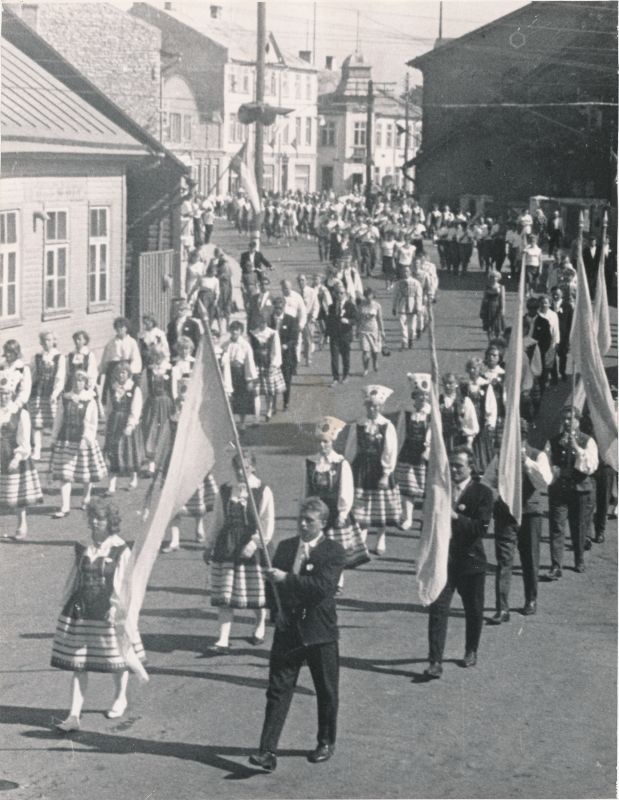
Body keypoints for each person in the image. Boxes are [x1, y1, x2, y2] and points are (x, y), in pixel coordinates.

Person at [249, 496, 346, 772]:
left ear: (323, 524)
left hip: (319, 632)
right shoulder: (285, 547)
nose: (302, 525)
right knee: (278, 690)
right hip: (288, 629)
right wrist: (273, 609)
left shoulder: (334, 551)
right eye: (300, 520)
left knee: (326, 690)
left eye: (309, 521)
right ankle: (266, 751)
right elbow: (272, 585)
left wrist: (285, 578)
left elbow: (322, 588)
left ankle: (325, 741)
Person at [51, 499, 146, 731]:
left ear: (110, 522)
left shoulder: (120, 549)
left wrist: (117, 608)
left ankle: (120, 696)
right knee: (78, 663)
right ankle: (73, 716)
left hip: (108, 612)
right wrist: (64, 605)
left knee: (117, 659)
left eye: (100, 518)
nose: (95, 522)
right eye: (92, 517)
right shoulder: (82, 546)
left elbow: (125, 584)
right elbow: (73, 578)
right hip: (82, 610)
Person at [424, 447, 493, 679]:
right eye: (451, 465)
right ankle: (435, 661)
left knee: (473, 610)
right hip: (444, 561)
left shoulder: (482, 492)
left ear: (471, 468)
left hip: (471, 562)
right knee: (438, 609)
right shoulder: (440, 489)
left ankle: (471, 649)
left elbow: (480, 528)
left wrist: (455, 517)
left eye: (458, 466)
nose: (453, 470)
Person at [483, 419, 552, 621]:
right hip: (506, 514)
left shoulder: (536, 455)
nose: (514, 440)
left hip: (530, 513)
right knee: (504, 560)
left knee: (530, 558)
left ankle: (530, 599)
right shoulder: (501, 456)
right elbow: (487, 481)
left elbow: (544, 482)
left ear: (524, 436)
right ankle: (502, 608)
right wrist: (498, 495)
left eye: (518, 436)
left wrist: (527, 462)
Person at [205, 450, 274, 651]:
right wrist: (209, 545)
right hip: (227, 546)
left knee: (255, 592)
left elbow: (267, 524)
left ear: (252, 467)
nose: (240, 471)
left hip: (253, 548)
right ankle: (223, 639)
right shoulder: (226, 490)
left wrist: (253, 545)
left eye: (244, 467)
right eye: (236, 467)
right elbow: (217, 520)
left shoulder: (262, 491)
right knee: (226, 595)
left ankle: (260, 623)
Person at [301, 416, 370, 590]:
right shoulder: (311, 462)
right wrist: (305, 508)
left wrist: (343, 512)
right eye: (319, 442)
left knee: (334, 548)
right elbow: (306, 487)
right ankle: (316, 578)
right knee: (315, 545)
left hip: (333, 510)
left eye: (325, 442)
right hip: (316, 510)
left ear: (332, 441)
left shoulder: (340, 463)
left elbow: (346, 489)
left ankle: (337, 581)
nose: (322, 446)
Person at [345, 385, 401, 556]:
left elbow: (390, 450)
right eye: (369, 405)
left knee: (381, 505)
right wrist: (346, 467)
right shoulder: (358, 425)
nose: (372, 409)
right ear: (365, 406)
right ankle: (361, 539)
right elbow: (351, 447)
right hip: (361, 468)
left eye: (376, 406)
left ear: (381, 407)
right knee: (360, 506)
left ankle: (380, 538)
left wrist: (386, 473)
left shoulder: (386, 426)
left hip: (379, 468)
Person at [547, 406, 599, 577]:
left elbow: (590, 466)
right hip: (559, 489)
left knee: (578, 526)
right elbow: (548, 463)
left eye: (570, 419)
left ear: (578, 420)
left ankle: (579, 558)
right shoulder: (554, 440)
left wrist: (576, 448)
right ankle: (556, 565)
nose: (567, 423)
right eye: (565, 419)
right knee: (557, 526)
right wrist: (556, 470)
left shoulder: (587, 440)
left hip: (579, 489)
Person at [50, 370, 107, 518]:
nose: (78, 383)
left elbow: (91, 423)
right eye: (76, 380)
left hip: (82, 439)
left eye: (81, 381)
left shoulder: (90, 400)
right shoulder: (65, 398)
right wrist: (54, 437)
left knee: (85, 473)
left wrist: (86, 438)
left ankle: (86, 498)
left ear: (86, 383)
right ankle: (65, 506)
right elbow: (59, 419)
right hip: (66, 439)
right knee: (65, 474)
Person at [0, 370, 43, 540]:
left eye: (6, 394)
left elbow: (24, 440)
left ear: (12, 394)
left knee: (17, 495)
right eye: (1, 394)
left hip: (13, 456)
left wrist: (17, 457)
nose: (3, 397)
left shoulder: (20, 414)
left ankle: (21, 525)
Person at [395, 375, 431, 532]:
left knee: (426, 488)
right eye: (419, 396)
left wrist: (428, 449)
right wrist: (396, 452)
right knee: (408, 487)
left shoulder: (431, 414)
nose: (422, 399)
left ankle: (425, 518)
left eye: (425, 396)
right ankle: (407, 517)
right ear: (414, 397)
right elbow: (400, 432)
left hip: (424, 454)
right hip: (408, 452)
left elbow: (433, 433)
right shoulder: (407, 412)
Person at [103, 362, 144, 495]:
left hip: (127, 422)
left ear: (128, 374)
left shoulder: (134, 389)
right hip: (114, 422)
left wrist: (131, 424)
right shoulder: (112, 388)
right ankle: (111, 485)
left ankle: (133, 478)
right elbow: (109, 407)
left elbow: (136, 408)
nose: (121, 375)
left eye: (124, 373)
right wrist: (107, 423)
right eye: (119, 373)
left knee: (129, 451)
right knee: (113, 452)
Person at [29, 331, 65, 461]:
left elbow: (60, 377)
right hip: (38, 392)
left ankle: (55, 449)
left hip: (52, 393)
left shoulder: (59, 357)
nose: (46, 343)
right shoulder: (37, 357)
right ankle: (37, 450)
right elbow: (32, 375)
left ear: (54, 341)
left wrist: (55, 393)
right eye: (44, 340)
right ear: (40, 342)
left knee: (55, 422)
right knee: (37, 423)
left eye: (49, 340)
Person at [460, 358, 497, 474]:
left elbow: (491, 405)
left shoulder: (485, 386)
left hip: (481, 419)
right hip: (468, 419)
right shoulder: (464, 386)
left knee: (481, 445)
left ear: (480, 369)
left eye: (475, 368)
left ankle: (481, 469)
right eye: (470, 368)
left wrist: (490, 422)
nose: (472, 371)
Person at [141, 347, 175, 475]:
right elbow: (144, 391)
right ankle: (151, 464)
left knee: (166, 432)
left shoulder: (171, 370)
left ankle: (165, 463)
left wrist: (175, 406)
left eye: (160, 356)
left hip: (166, 403)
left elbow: (174, 389)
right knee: (151, 432)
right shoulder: (148, 371)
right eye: (155, 356)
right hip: (153, 404)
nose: (158, 359)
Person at [221, 321, 258, 430]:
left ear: (241, 331)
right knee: (229, 397)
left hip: (241, 373)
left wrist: (250, 379)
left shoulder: (245, 345)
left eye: (237, 330)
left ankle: (242, 422)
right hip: (228, 373)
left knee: (242, 398)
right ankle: (230, 422)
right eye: (232, 329)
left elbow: (249, 362)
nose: (234, 332)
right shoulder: (225, 344)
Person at [249, 313, 285, 422]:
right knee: (256, 391)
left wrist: (274, 364)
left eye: (264, 322)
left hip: (268, 365)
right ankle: (256, 415)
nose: (262, 324)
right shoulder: (253, 334)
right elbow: (250, 350)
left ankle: (269, 409)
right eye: (260, 322)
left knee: (269, 390)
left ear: (267, 323)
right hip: (257, 365)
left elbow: (276, 350)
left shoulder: (273, 333)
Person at [99, 318, 142, 405]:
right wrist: (102, 370)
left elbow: (136, 358)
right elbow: (105, 359)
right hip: (114, 369)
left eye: (122, 327)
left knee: (129, 391)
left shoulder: (132, 342)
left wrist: (131, 372)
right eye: (117, 328)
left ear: (126, 328)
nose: (120, 330)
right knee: (115, 392)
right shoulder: (111, 343)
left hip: (127, 369)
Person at [269, 297, 298, 412]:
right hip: (273, 356)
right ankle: (273, 405)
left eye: (280, 308)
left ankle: (286, 402)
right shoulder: (269, 320)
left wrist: (286, 345)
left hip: (286, 355)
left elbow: (294, 338)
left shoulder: (290, 320)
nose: (278, 310)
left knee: (286, 380)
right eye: (276, 308)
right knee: (272, 380)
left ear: (284, 307)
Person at [439, 373, 479, 454]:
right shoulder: (439, 400)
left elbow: (471, 422)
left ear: (456, 384)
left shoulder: (464, 401)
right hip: (443, 439)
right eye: (445, 383)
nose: (447, 386)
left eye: (450, 383)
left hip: (459, 440)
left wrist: (469, 442)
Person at [392, 266, 423, 351]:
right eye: (404, 272)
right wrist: (394, 307)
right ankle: (404, 342)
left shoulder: (416, 283)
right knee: (402, 325)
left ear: (410, 272)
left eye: (407, 271)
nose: (405, 273)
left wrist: (418, 307)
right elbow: (395, 295)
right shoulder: (399, 283)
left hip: (412, 304)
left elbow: (419, 296)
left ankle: (411, 339)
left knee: (412, 326)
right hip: (402, 304)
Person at [357, 287, 385, 376]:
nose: (368, 298)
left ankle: (375, 361)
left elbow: (380, 319)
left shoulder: (377, 305)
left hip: (374, 330)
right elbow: (358, 319)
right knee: (365, 351)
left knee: (375, 350)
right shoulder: (361, 305)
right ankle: (365, 368)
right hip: (363, 330)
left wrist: (382, 330)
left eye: (370, 295)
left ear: (373, 296)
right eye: (367, 296)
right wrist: (357, 330)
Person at [1, 339, 32, 410]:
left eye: (10, 352)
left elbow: (25, 390)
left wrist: (17, 404)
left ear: (16, 353)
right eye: (6, 351)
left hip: (15, 406)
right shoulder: (1, 367)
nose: (7, 354)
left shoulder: (23, 368)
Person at [65, 331, 99, 396]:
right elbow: (67, 372)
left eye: (79, 339)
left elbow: (92, 373)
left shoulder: (89, 355)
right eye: (75, 339)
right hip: (72, 388)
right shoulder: (70, 355)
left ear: (85, 341)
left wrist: (89, 388)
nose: (77, 341)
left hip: (85, 388)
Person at [298, 274, 319, 367]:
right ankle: (297, 358)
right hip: (299, 318)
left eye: (302, 280)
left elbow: (316, 305)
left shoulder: (311, 291)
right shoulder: (297, 292)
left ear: (306, 281)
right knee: (298, 339)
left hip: (308, 317)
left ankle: (308, 358)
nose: (301, 282)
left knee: (308, 339)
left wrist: (314, 317)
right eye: (299, 280)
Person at [479, 271, 505, 341]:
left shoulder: (501, 287)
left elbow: (502, 299)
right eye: (491, 277)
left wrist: (503, 309)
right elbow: (484, 298)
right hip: (488, 307)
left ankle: (497, 340)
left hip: (497, 307)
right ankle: (490, 340)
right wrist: (482, 309)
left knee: (497, 325)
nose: (493, 279)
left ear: (498, 278)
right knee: (489, 326)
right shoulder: (487, 287)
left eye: (495, 277)